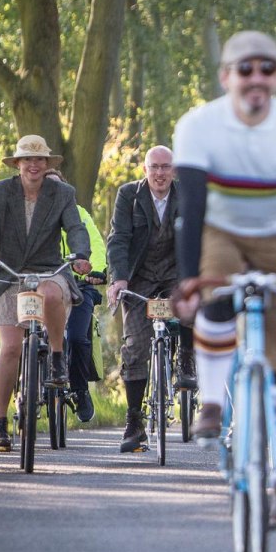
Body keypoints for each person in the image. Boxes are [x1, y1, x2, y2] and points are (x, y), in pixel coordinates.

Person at [172, 30, 276, 531]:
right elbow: (192, 212)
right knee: (216, 290)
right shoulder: (199, 127)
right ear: (226, 78)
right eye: (246, 70)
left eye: (268, 69)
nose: (257, 79)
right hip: (221, 230)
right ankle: (212, 401)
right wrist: (188, 283)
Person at [0, 135, 92, 451]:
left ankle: (56, 358)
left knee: (52, 296)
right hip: (8, 274)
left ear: (47, 164)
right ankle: (0, 425)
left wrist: (80, 254)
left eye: (40, 159)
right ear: (18, 163)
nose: (34, 165)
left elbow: (76, 228)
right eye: (28, 159)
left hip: (47, 270)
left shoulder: (62, 193)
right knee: (10, 347)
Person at [107, 146, 194, 453]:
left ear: (174, 170)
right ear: (145, 170)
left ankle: (187, 361)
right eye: (154, 167)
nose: (160, 173)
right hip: (139, 277)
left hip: (175, 273)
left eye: (165, 167)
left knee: (191, 304)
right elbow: (118, 238)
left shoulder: (188, 194)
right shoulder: (128, 196)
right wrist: (119, 278)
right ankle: (134, 421)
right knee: (134, 346)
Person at [44, 168, 108, 425]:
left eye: (58, 188)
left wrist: (97, 270)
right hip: (41, 286)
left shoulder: (79, 215)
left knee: (78, 337)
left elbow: (96, 245)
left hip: (79, 287)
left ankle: (80, 391)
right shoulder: (31, 217)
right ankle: (27, 387)